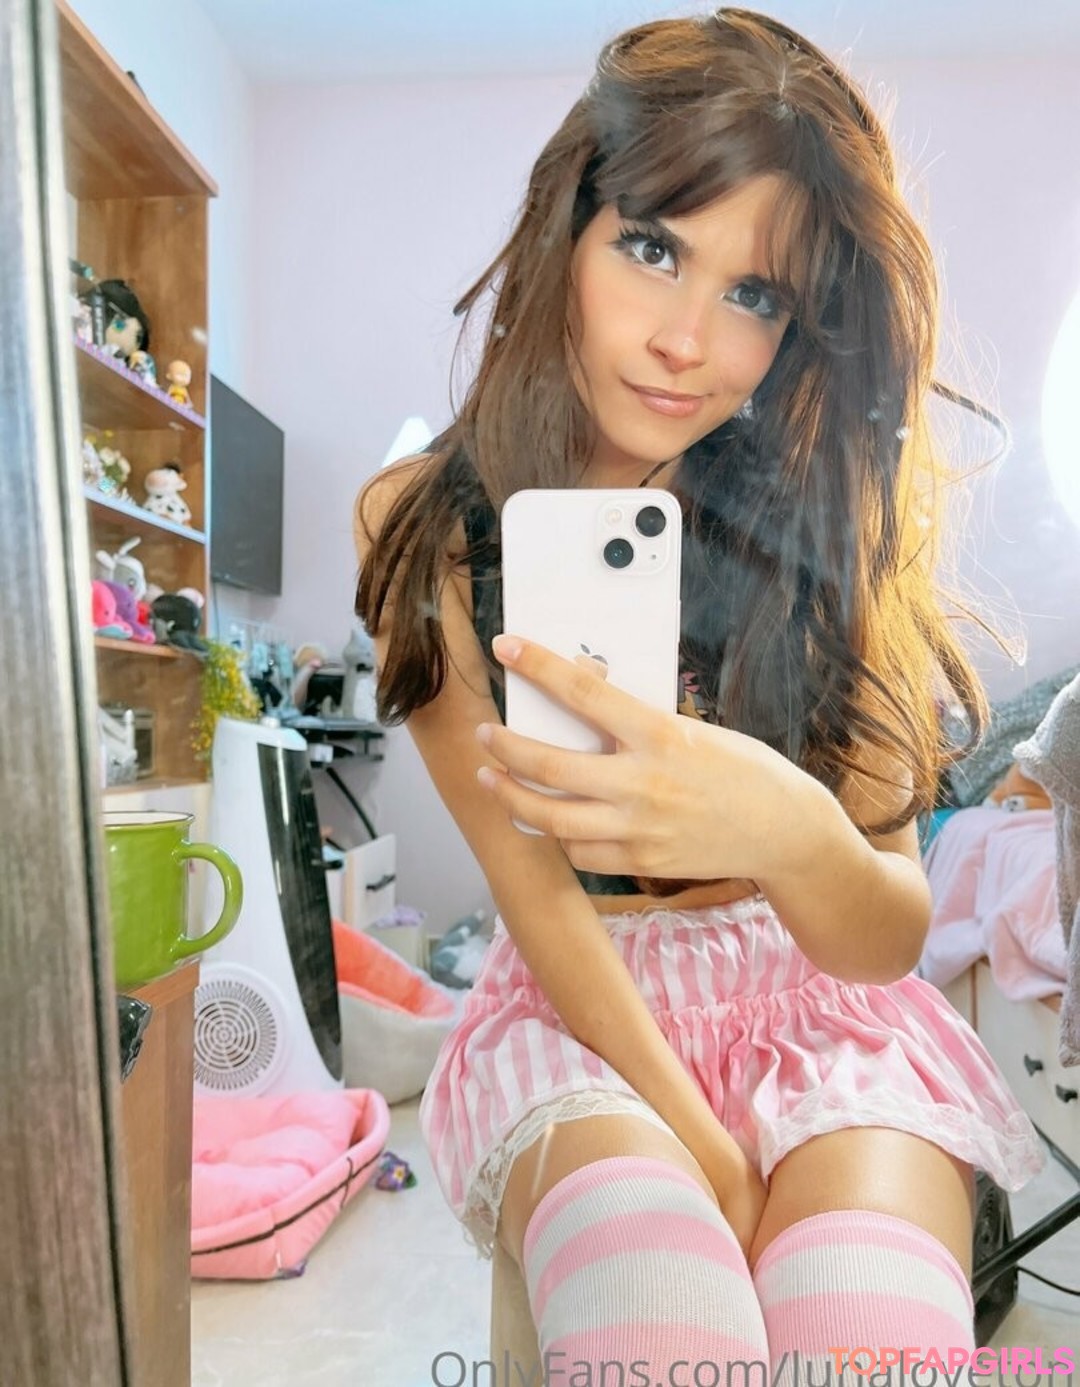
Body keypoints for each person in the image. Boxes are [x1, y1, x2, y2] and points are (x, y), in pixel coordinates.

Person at [355, 8, 1042, 1378]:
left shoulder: (824, 521)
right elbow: (538, 895)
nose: (685, 340)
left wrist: (781, 825)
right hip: (583, 1016)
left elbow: (886, 934)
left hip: (824, 1015)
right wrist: (706, 1149)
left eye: (756, 295)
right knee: (662, 1310)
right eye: (654, 248)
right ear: (568, 227)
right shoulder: (426, 522)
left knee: (868, 1329)